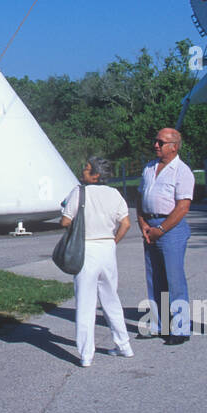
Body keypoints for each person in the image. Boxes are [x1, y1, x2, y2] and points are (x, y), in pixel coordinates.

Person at [61, 156, 134, 367]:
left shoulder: (79, 193)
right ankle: (124, 345)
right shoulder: (115, 194)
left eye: (87, 168)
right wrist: (113, 241)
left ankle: (86, 354)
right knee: (111, 299)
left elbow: (65, 221)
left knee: (85, 303)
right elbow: (126, 224)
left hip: (86, 249)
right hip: (107, 248)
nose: (83, 171)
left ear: (95, 175)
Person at [138, 127, 195, 344]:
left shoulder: (182, 171)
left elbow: (182, 207)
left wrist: (160, 230)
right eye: (156, 141)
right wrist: (143, 223)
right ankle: (159, 325)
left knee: (174, 279)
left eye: (160, 142)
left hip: (170, 227)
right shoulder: (149, 168)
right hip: (149, 226)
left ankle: (180, 329)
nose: (156, 145)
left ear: (174, 146)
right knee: (155, 278)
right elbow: (140, 197)